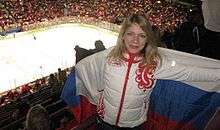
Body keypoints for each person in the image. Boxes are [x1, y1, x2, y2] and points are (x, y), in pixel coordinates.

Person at [75, 13, 220, 130]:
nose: (135, 40)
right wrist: (96, 98)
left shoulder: (155, 63)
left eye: (142, 35)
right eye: (131, 34)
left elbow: (188, 72)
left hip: (134, 125)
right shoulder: (108, 56)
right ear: (123, 35)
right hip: (104, 122)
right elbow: (86, 68)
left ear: (147, 39)